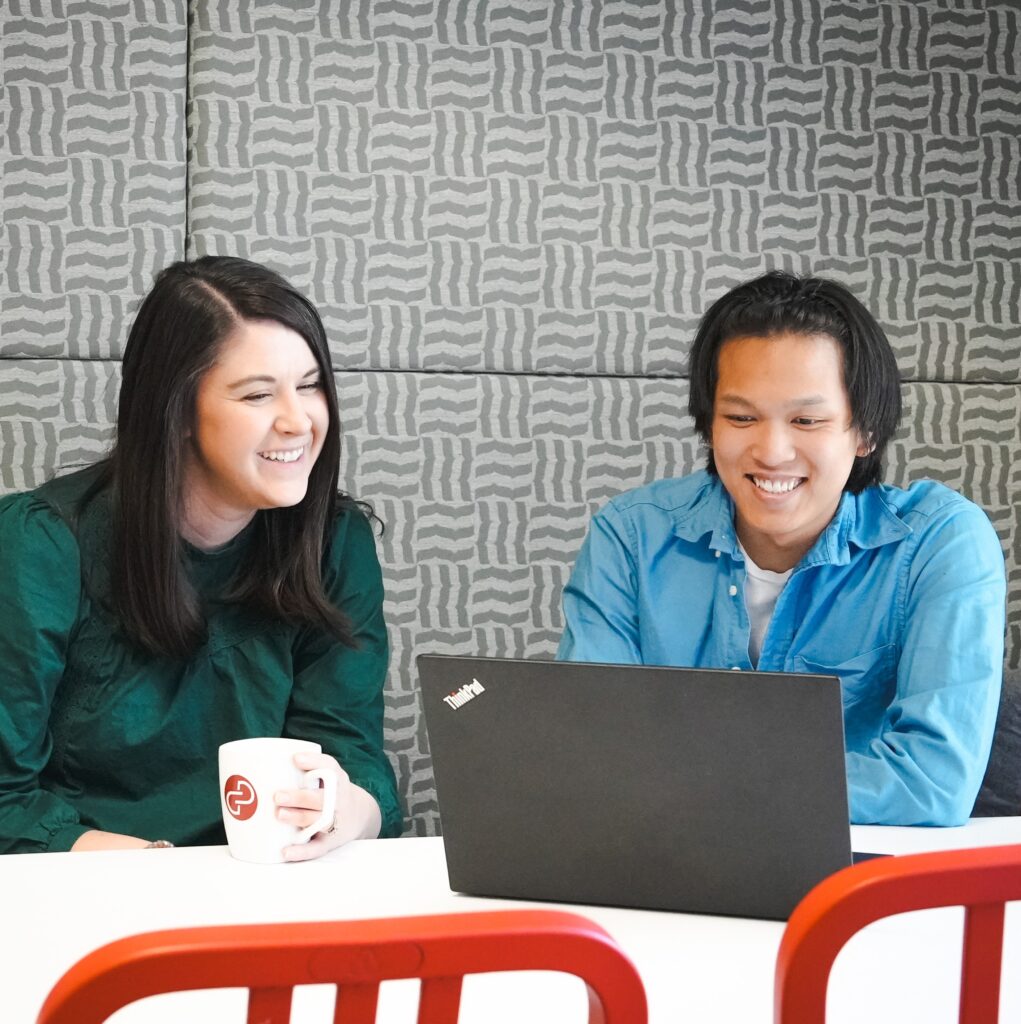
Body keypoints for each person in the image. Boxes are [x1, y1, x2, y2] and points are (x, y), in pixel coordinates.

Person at [558, 271, 1006, 826]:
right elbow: (593, 755)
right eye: (741, 417)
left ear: (863, 431)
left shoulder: (939, 543)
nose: (771, 451)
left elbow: (931, 784)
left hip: (862, 884)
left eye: (807, 420)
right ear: (709, 424)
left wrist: (693, 789)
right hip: (665, 876)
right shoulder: (630, 537)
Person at [0, 256, 401, 855]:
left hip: (276, 886)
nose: (299, 421)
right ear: (177, 409)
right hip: (89, 891)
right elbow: (7, 799)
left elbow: (350, 751)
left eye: (310, 385)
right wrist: (155, 874)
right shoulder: (42, 545)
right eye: (259, 394)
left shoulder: (331, 541)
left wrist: (350, 810)